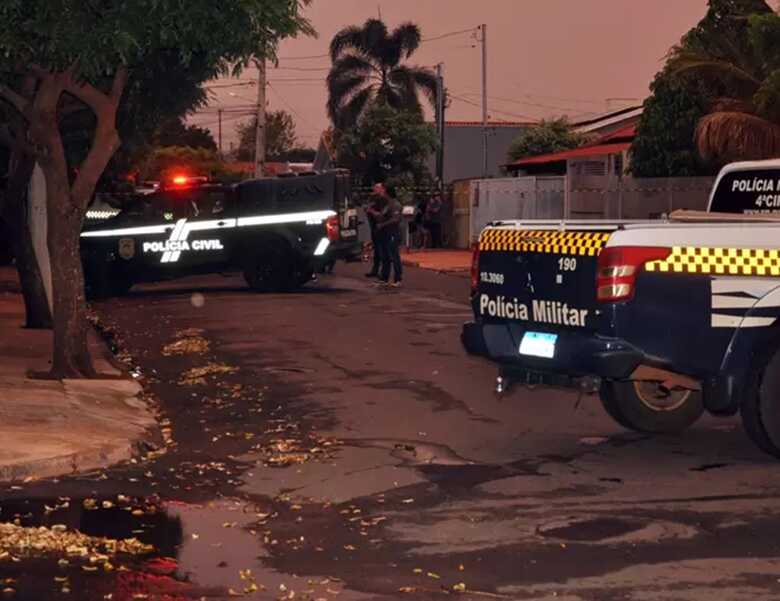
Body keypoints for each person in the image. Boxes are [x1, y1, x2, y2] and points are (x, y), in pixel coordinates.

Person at [376, 185, 403, 287]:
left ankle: (398, 279)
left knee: (394, 255)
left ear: (388, 193)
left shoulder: (395, 204)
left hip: (393, 233)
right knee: (386, 256)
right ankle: (384, 278)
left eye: (383, 190)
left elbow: (395, 219)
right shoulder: (388, 204)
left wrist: (382, 224)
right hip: (386, 233)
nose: (381, 192)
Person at [364, 183, 388, 278]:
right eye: (374, 187)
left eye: (377, 188)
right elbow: (367, 209)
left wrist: (371, 211)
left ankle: (383, 272)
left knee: (382, 250)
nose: (375, 189)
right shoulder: (373, 199)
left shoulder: (384, 200)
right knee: (377, 250)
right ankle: (375, 270)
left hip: (382, 228)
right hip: (374, 227)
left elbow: (383, 214)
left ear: (383, 189)